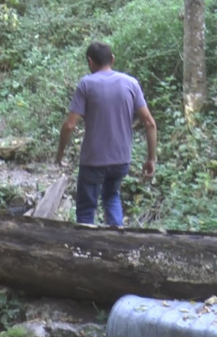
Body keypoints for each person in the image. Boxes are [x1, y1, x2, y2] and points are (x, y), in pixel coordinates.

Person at [55, 41, 157, 227]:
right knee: (111, 197)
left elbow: (69, 125)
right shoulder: (131, 83)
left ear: (90, 61)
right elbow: (150, 122)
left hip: (92, 161)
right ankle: (116, 246)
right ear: (112, 59)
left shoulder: (86, 84)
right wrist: (151, 158)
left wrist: (60, 155)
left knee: (86, 209)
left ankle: (85, 251)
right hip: (120, 160)